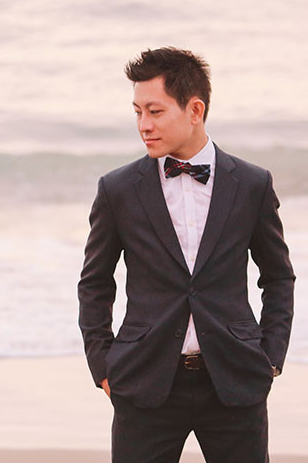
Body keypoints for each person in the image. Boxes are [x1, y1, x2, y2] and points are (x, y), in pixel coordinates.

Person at [77, 47, 295, 462]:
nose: (144, 125)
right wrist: (103, 363)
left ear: (195, 110)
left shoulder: (251, 184)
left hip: (234, 378)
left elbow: (278, 276)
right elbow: (95, 282)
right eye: (137, 112)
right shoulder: (118, 189)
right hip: (144, 380)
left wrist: (271, 357)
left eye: (155, 112)